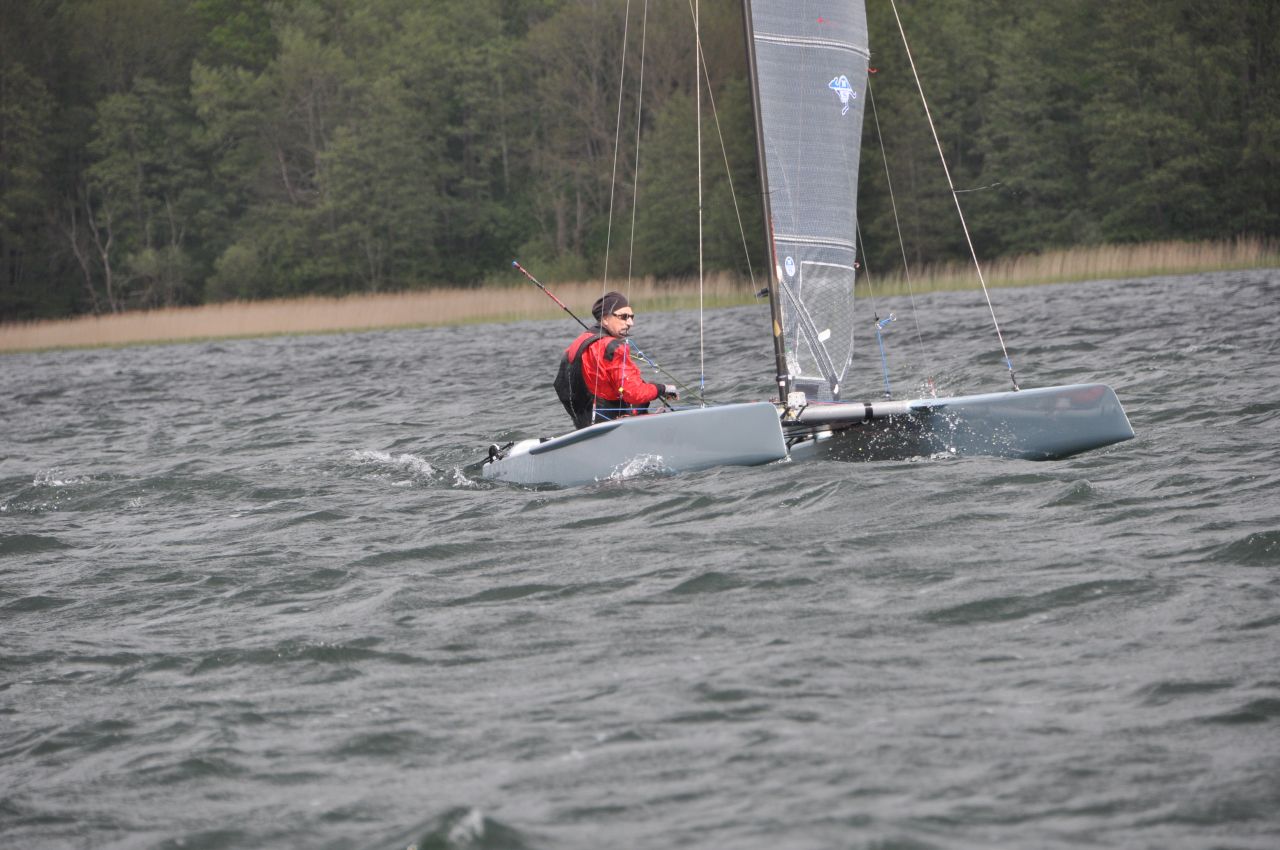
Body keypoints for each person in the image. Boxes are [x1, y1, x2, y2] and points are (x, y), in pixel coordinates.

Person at [555, 291, 678, 429]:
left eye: (631, 317)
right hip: (611, 425)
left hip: (585, 424)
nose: (631, 323)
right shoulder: (613, 347)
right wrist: (662, 389)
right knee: (641, 400)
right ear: (605, 319)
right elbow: (634, 394)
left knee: (639, 403)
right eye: (624, 317)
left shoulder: (576, 344)